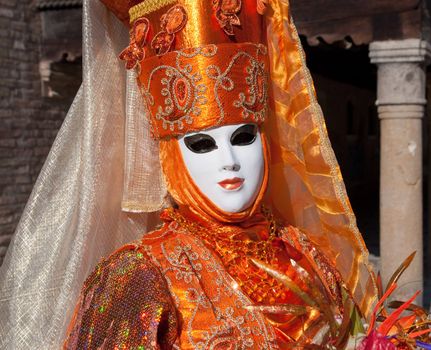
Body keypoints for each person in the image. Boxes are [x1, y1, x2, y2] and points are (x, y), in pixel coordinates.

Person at [0, 0, 379, 348]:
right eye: (201, 144)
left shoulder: (303, 251)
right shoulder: (140, 278)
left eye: (244, 137)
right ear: (171, 156)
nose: (229, 160)